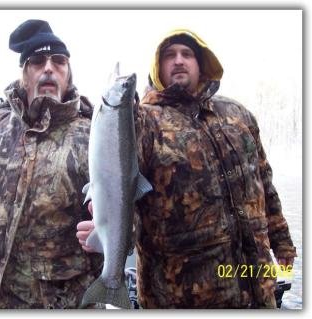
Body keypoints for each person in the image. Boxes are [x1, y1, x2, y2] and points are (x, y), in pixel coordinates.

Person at [76, 28, 297, 308]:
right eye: (170, 55)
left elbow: (264, 182)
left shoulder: (238, 115)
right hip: (179, 298)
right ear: (159, 67)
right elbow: (117, 173)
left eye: (187, 54)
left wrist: (282, 241)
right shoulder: (144, 121)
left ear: (201, 63)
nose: (179, 60)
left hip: (256, 287)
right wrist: (105, 220)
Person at [0, 19, 103, 309]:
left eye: (58, 61)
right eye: (37, 61)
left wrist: (103, 229)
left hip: (57, 304)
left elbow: (127, 216)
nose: (48, 68)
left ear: (68, 74)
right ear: (24, 75)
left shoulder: (94, 135)